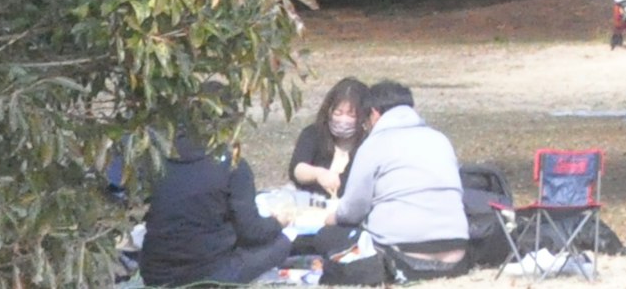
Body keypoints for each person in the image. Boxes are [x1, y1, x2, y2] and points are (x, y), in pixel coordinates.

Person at [314, 81, 472, 281]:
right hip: (456, 254)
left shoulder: (374, 145)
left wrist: (332, 218)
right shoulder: (440, 139)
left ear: (374, 113)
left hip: (403, 254)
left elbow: (353, 211)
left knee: (326, 237)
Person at [140, 130, 288, 286]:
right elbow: (251, 232)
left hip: (156, 274)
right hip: (209, 273)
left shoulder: (153, 158)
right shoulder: (232, 164)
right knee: (282, 243)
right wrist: (277, 222)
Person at [289, 76, 369, 199]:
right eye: (338, 113)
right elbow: (298, 168)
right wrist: (318, 174)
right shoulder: (313, 133)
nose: (344, 120)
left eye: (351, 115)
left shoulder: (369, 143)